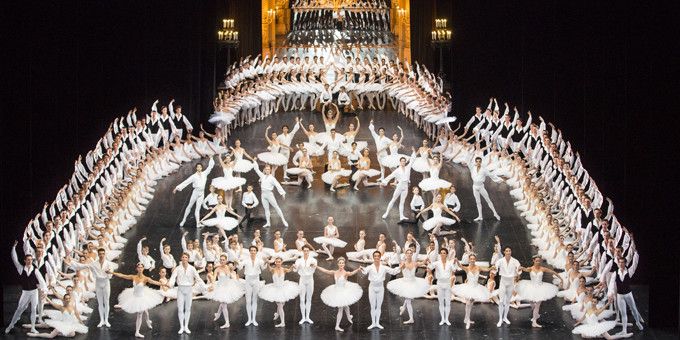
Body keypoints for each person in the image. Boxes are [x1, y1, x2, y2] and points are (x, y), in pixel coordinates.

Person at [65, 247, 115, 328]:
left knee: (106, 301)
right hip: (98, 283)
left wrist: (108, 273)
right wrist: (71, 262)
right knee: (100, 302)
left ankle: (106, 320)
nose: (102, 255)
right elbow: (81, 266)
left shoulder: (109, 264)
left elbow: (110, 275)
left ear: (105, 254)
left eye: (103, 254)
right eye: (100, 254)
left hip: (106, 283)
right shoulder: (94, 264)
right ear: (98, 255)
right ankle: (101, 320)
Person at [112, 263, 165, 338]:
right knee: (145, 311)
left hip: (142, 297)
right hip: (133, 296)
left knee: (140, 314)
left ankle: (137, 331)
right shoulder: (133, 277)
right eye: (139, 267)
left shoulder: (146, 278)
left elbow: (154, 282)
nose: (140, 269)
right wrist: (112, 272)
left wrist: (164, 284)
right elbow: (123, 275)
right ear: (137, 268)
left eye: (141, 267)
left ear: (143, 269)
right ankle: (147, 321)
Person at [6, 241, 48, 334]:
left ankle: (33, 327)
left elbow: (42, 282)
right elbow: (15, 259)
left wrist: (43, 291)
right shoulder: (21, 269)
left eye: (31, 260)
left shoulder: (35, 270)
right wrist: (13, 248)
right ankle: (11, 325)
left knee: (34, 309)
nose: (30, 261)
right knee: (19, 308)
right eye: (28, 260)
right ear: (25, 261)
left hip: (34, 292)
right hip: (25, 292)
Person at [317, 257, 363, 331]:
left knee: (343, 306)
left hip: (343, 291)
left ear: (344, 264)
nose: (341, 264)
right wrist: (316, 266)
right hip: (336, 291)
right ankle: (344, 320)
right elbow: (326, 271)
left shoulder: (346, 273)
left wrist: (358, 269)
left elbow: (351, 273)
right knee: (344, 306)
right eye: (340, 263)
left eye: (342, 263)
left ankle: (340, 323)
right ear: (338, 264)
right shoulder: (335, 272)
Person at [516, 256, 563, 328]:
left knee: (537, 305)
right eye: (536, 261)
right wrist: (521, 268)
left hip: (541, 288)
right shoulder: (530, 268)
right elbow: (525, 269)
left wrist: (561, 278)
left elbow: (552, 272)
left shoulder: (542, 269)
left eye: (539, 261)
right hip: (531, 287)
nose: (538, 262)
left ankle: (534, 322)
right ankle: (536, 315)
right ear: (533, 261)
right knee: (532, 304)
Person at [386, 248, 429, 324]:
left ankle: (404, 308)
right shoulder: (403, 263)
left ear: (412, 254)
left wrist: (427, 259)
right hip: (405, 283)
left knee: (408, 298)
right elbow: (398, 267)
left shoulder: (415, 263)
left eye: (410, 253)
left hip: (413, 282)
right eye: (407, 253)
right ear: (405, 254)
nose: (409, 254)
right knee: (408, 299)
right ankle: (410, 318)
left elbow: (422, 263)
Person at [360, 251, 401, 330]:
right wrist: (362, 269)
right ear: (373, 257)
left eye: (378, 256)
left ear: (380, 257)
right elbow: (365, 271)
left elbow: (393, 271)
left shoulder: (384, 267)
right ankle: (373, 323)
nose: (376, 257)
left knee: (378, 306)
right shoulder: (370, 267)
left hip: (380, 288)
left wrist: (400, 267)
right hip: (372, 287)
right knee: (372, 306)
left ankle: (377, 323)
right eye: (375, 256)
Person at [452, 254, 494, 329]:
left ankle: (466, 318)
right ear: (469, 260)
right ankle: (467, 320)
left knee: (470, 304)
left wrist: (492, 267)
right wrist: (457, 261)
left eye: (473, 259)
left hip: (476, 288)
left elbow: (487, 270)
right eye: (471, 259)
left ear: (475, 259)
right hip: (468, 288)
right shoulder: (467, 268)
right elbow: (460, 266)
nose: (472, 260)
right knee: (468, 303)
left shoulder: (478, 267)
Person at [168, 253, 205, 334]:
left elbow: (198, 279)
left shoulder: (192, 268)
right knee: (180, 309)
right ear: (181, 258)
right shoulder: (177, 268)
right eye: (183, 257)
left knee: (188, 308)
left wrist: (205, 287)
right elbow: (173, 277)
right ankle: (181, 327)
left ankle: (186, 326)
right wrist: (170, 284)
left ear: (188, 259)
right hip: (180, 289)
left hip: (189, 290)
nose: (184, 258)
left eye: (186, 257)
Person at [173, 157, 216, 227]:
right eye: (198, 167)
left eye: (200, 167)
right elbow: (186, 182)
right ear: (196, 168)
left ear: (201, 168)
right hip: (195, 192)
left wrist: (211, 158)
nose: (199, 168)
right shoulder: (194, 176)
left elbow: (210, 167)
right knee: (189, 206)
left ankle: (198, 223)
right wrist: (177, 188)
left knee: (197, 209)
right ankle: (183, 220)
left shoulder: (204, 173)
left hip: (201, 193)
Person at [258, 257, 299, 327]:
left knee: (282, 304)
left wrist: (292, 266)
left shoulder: (284, 269)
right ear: (275, 262)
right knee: (280, 305)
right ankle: (283, 322)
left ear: (281, 262)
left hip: (283, 288)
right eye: (276, 262)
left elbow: (289, 270)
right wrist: (267, 262)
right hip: (275, 289)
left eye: (279, 261)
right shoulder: (273, 270)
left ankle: (277, 314)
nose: (278, 263)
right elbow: (269, 266)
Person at [205, 256, 244, 329]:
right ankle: (227, 322)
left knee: (223, 302)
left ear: (226, 260)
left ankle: (218, 314)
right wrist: (212, 286)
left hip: (228, 286)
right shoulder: (217, 269)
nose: (222, 261)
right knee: (223, 303)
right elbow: (213, 279)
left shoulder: (228, 267)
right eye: (221, 260)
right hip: (221, 287)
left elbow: (235, 268)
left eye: (223, 260)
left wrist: (236, 262)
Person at [608, 256, 644, 335]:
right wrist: (610, 293)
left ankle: (637, 322)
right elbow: (611, 283)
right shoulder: (615, 273)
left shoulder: (629, 271)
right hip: (620, 296)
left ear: (625, 263)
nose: (621, 264)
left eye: (622, 262)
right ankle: (624, 330)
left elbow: (635, 263)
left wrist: (636, 254)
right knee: (623, 313)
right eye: (620, 262)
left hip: (628, 294)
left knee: (634, 309)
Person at [380, 148, 417, 221]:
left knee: (402, 202)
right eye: (402, 161)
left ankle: (401, 216)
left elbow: (412, 159)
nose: (403, 162)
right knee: (393, 199)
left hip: (406, 186)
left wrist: (413, 152)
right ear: (400, 162)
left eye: (404, 161)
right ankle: (386, 213)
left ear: (405, 162)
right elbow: (390, 176)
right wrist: (383, 182)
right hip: (400, 186)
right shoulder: (397, 170)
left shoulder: (408, 167)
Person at [427, 248, 459, 326]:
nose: (442, 254)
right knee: (441, 302)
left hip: (447, 284)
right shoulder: (437, 263)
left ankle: (447, 319)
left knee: (448, 302)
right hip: (440, 284)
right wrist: (428, 261)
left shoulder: (450, 263)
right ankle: (442, 319)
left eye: (444, 253)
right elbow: (430, 267)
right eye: (441, 253)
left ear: (446, 254)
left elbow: (454, 269)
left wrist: (455, 262)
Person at [252, 161, 289, 227]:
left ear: (270, 170)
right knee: (266, 209)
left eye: (269, 169)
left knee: (276, 207)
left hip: (269, 194)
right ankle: (268, 222)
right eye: (266, 169)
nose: (267, 170)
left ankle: (283, 220)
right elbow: (257, 170)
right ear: (264, 170)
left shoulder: (272, 178)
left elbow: (278, 185)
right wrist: (254, 162)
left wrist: (282, 193)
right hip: (263, 195)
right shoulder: (262, 176)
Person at [239, 246, 268, 326]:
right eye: (251, 250)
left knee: (254, 300)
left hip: (256, 280)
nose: (252, 252)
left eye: (254, 250)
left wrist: (265, 262)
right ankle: (249, 319)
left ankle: (254, 319)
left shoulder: (259, 260)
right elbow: (240, 267)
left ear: (256, 251)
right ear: (249, 251)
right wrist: (237, 263)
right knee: (248, 301)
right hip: (248, 280)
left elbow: (263, 268)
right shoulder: (246, 260)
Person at [494, 247, 521, 327]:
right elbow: (495, 267)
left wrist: (519, 270)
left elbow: (519, 269)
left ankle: (505, 317)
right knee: (501, 301)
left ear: (511, 251)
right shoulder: (500, 261)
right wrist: (494, 269)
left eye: (509, 250)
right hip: (503, 281)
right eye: (506, 251)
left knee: (508, 301)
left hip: (511, 282)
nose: (508, 252)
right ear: (504, 252)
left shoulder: (515, 261)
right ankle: (500, 319)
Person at [468, 156, 501, 221]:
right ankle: (480, 216)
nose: (478, 163)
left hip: (481, 187)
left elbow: (491, 175)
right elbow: (468, 160)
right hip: (474, 187)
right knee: (478, 202)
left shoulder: (484, 169)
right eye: (477, 161)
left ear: (481, 162)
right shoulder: (473, 168)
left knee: (488, 200)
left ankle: (495, 213)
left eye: (479, 162)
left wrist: (499, 180)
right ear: (475, 162)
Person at [293, 245, 318, 324]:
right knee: (302, 299)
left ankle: (308, 317)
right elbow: (295, 270)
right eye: (305, 250)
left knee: (309, 299)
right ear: (302, 251)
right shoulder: (298, 260)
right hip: (302, 280)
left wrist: (314, 266)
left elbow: (314, 268)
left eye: (307, 251)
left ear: (309, 251)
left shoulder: (313, 260)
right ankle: (303, 317)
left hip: (310, 280)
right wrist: (295, 267)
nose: (306, 252)